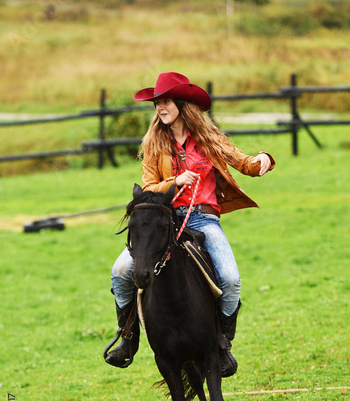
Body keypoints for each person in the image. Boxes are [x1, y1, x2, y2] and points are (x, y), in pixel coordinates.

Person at [105, 72, 275, 377]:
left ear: (183, 104)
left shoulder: (210, 139)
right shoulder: (154, 144)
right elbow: (147, 187)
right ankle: (128, 338)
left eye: (166, 101)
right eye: (157, 103)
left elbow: (244, 163)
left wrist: (263, 159)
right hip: (166, 222)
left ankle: (222, 343)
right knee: (121, 271)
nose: (160, 107)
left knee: (231, 279)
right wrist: (175, 180)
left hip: (204, 219)